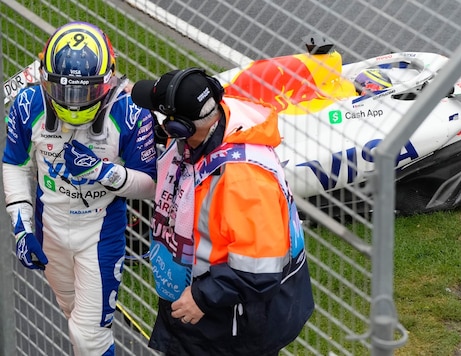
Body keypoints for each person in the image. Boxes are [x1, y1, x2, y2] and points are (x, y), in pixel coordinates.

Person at [131, 67, 314, 355]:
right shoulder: (211, 127)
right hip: (210, 310)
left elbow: (259, 271)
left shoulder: (243, 182)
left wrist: (203, 298)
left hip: (230, 322)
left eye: (164, 120)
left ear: (181, 128)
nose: (161, 126)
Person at [2, 21, 157, 355]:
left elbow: (150, 186)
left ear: (108, 81)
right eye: (64, 91)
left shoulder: (130, 112)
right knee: (73, 317)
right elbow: (14, 164)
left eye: (84, 92)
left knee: (89, 335)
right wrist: (21, 228)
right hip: (50, 232)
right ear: (44, 79)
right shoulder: (28, 104)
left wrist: (104, 173)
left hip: (99, 236)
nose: (73, 103)